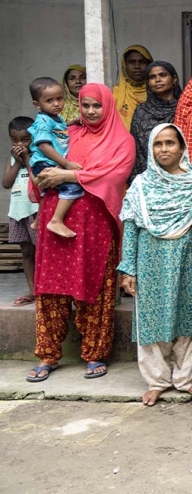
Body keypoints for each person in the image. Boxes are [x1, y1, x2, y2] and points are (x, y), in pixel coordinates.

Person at [25, 83, 135, 383]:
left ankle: (95, 353)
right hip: (55, 220)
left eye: (96, 105)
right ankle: (47, 354)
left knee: (94, 286)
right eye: (85, 105)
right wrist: (45, 176)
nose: (90, 111)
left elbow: (115, 175)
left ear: (108, 106)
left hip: (96, 225)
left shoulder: (122, 141)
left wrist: (70, 175)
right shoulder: (67, 132)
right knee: (50, 287)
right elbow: (42, 161)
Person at [118, 124, 192, 406]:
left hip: (188, 259)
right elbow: (130, 228)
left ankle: (185, 379)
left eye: (170, 143)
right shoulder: (141, 185)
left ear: (182, 147)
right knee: (151, 320)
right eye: (158, 144)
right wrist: (128, 268)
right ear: (151, 149)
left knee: (188, 318)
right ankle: (157, 381)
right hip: (150, 259)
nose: (164, 149)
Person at [27, 77, 83, 238]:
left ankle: (37, 221)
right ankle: (56, 220)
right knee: (73, 187)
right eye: (49, 100)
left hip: (46, 162)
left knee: (48, 191)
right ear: (37, 104)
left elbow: (60, 129)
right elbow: (43, 145)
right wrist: (66, 164)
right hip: (44, 162)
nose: (56, 104)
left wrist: (73, 123)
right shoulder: (44, 121)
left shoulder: (54, 118)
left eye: (59, 99)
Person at [128, 61, 183, 184]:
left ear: (174, 79)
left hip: (180, 175)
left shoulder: (184, 107)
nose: (157, 80)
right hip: (149, 178)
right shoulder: (141, 111)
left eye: (163, 75)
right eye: (152, 77)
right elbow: (137, 149)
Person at [3, 116, 38, 306]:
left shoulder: (40, 155)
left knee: (42, 251)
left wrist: (26, 158)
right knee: (26, 252)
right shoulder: (11, 159)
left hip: (36, 212)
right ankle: (32, 290)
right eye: (14, 140)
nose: (19, 144)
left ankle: (45, 289)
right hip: (18, 212)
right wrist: (17, 162)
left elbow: (38, 179)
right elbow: (6, 183)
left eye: (25, 140)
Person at [113, 45, 153, 130]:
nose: (137, 66)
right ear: (125, 66)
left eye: (142, 62)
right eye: (132, 62)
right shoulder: (114, 93)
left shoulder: (158, 92)